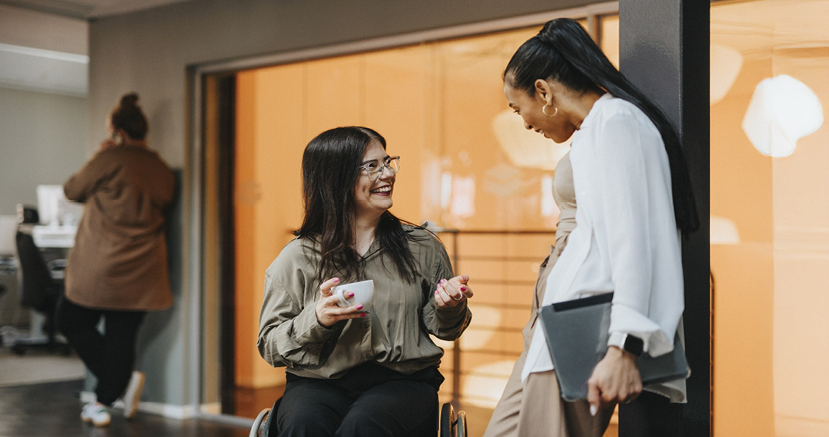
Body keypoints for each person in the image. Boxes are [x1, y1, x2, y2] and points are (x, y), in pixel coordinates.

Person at [483, 18, 699, 437]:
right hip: (558, 322)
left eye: (517, 108)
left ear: (543, 91)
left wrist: (624, 347)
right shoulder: (590, 134)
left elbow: (636, 243)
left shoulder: (618, 122)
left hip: (586, 326)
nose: (524, 123)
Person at [257, 126, 473, 437]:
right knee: (303, 424)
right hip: (318, 382)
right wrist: (316, 319)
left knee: (365, 426)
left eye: (387, 162)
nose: (388, 174)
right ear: (336, 178)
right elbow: (269, 345)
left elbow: (446, 330)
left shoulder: (423, 247)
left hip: (403, 381)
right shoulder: (297, 257)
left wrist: (449, 306)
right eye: (372, 166)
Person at [57, 92, 176, 428]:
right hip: (144, 267)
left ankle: (114, 387)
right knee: (121, 336)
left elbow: (72, 190)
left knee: (70, 319)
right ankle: (107, 396)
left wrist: (101, 155)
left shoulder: (110, 159)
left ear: (118, 132)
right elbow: (165, 202)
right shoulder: (161, 168)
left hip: (103, 264)